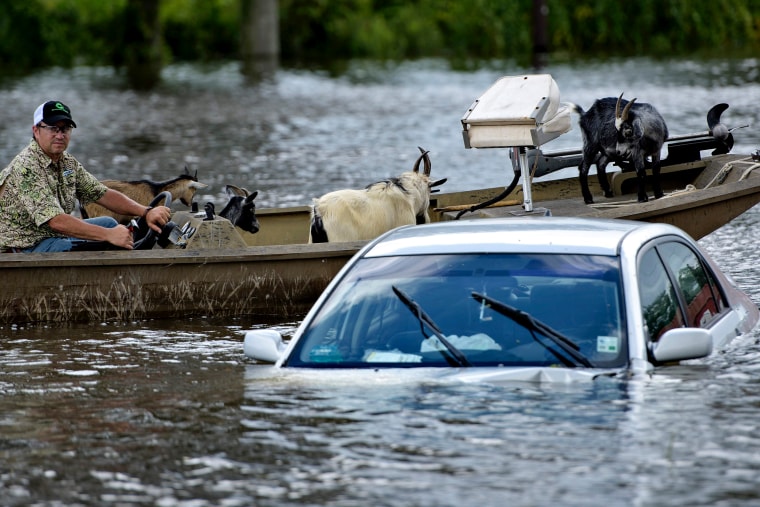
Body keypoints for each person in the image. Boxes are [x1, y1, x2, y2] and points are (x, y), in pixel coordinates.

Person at [0, 100, 171, 253]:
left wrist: (146, 212)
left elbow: (101, 193)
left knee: (110, 223)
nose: (60, 135)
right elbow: (56, 221)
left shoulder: (66, 162)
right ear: (36, 131)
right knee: (92, 240)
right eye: (53, 128)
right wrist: (108, 235)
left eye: (65, 129)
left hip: (52, 235)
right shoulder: (25, 167)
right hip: (24, 247)